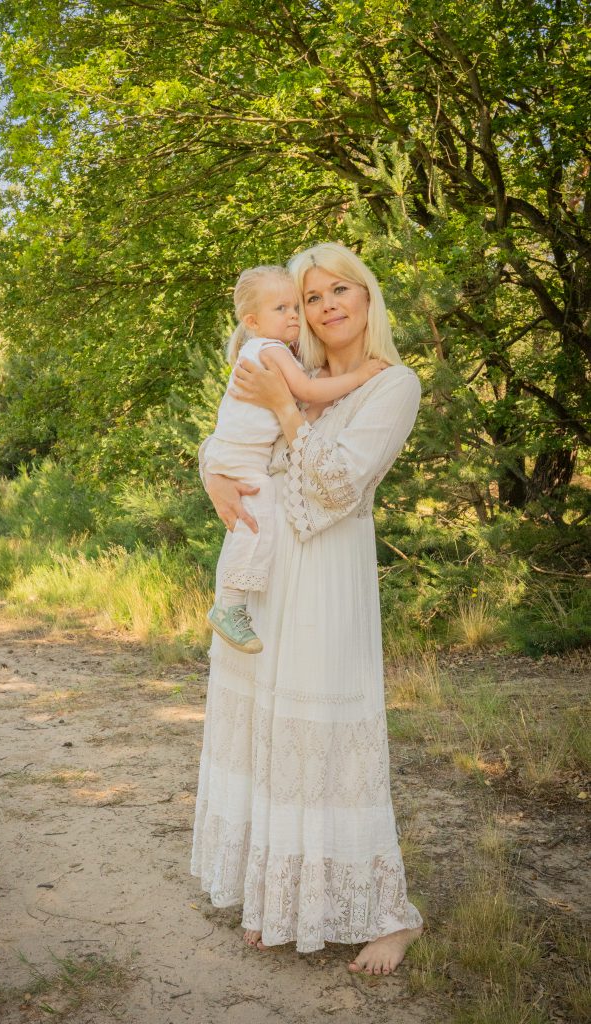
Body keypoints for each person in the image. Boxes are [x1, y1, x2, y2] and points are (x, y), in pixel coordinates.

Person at [190, 242, 424, 976]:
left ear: (365, 297)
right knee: (267, 735)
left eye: (337, 291)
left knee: (325, 739)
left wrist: (286, 410)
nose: (324, 306)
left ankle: (389, 917)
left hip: (326, 574)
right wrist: (211, 472)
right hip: (268, 577)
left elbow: (332, 489)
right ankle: (276, 902)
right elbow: (233, 441)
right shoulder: (300, 370)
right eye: (309, 295)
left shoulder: (390, 384)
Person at [206, 264, 390, 655]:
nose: (294, 315)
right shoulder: (271, 351)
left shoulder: (265, 351)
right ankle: (229, 604)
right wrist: (361, 376)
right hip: (241, 459)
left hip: (242, 460)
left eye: (294, 306)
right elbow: (307, 391)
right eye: (291, 306)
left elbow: (336, 477)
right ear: (253, 321)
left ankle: (230, 603)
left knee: (250, 525)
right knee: (253, 525)